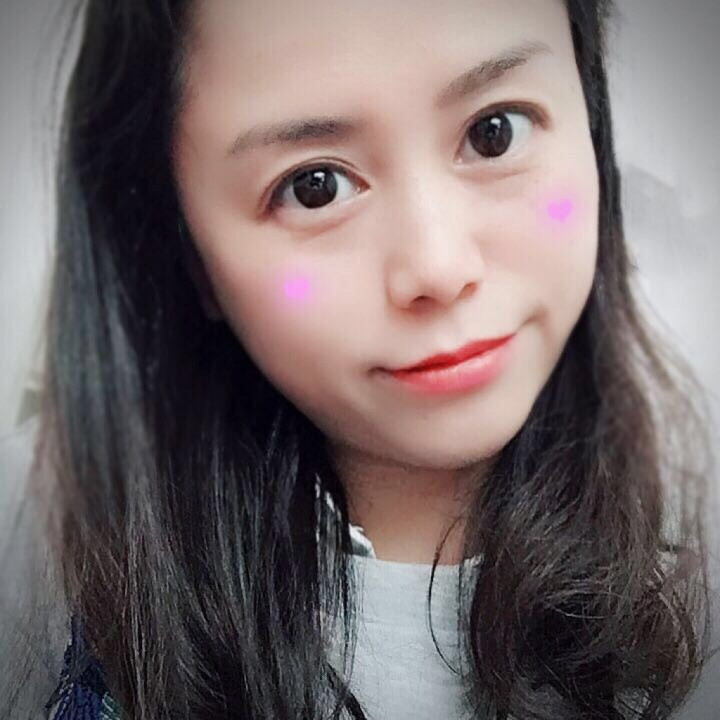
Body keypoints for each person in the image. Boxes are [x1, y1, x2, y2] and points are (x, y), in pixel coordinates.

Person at [1, 0, 718, 718]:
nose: (438, 267)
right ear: (185, 253)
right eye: (314, 187)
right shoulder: (39, 539)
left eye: (494, 133)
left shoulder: (701, 542)